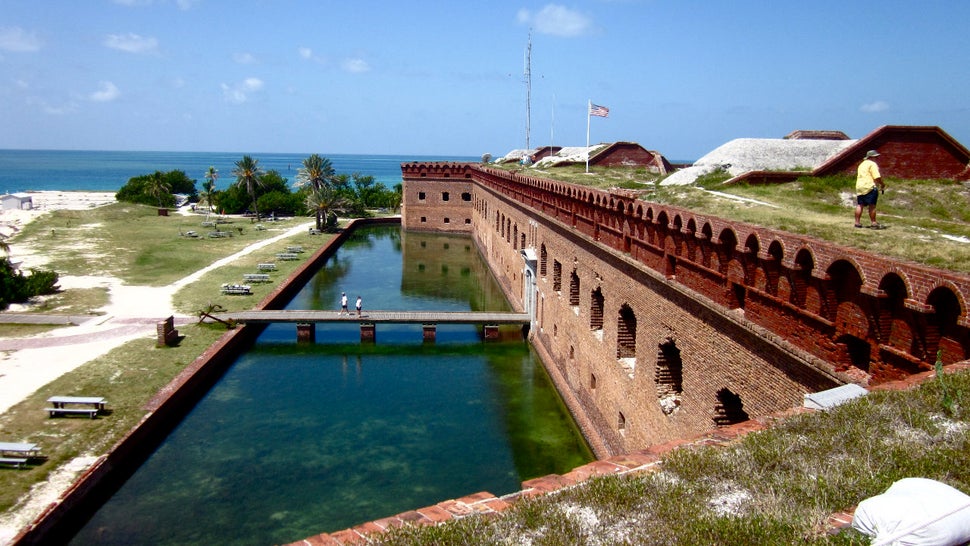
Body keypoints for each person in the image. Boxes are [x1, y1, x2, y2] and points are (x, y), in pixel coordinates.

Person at [855, 149, 886, 229]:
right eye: (876, 157)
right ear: (871, 157)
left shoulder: (861, 164)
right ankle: (873, 223)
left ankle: (857, 222)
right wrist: (882, 184)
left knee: (860, 205)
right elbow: (876, 176)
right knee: (872, 205)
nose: (877, 158)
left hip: (860, 186)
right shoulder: (872, 164)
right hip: (869, 186)